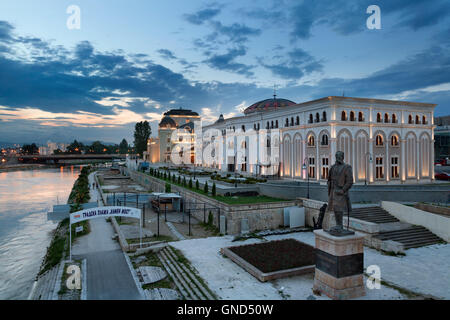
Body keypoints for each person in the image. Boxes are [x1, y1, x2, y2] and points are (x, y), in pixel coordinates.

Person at [327, 151, 354, 236]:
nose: (337, 158)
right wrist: (329, 187)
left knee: (339, 209)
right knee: (335, 209)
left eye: (339, 156)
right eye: (336, 156)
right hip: (333, 191)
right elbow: (329, 178)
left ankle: (340, 225)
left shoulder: (347, 167)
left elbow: (350, 181)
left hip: (340, 192)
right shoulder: (333, 167)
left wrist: (343, 190)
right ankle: (338, 225)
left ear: (342, 157)